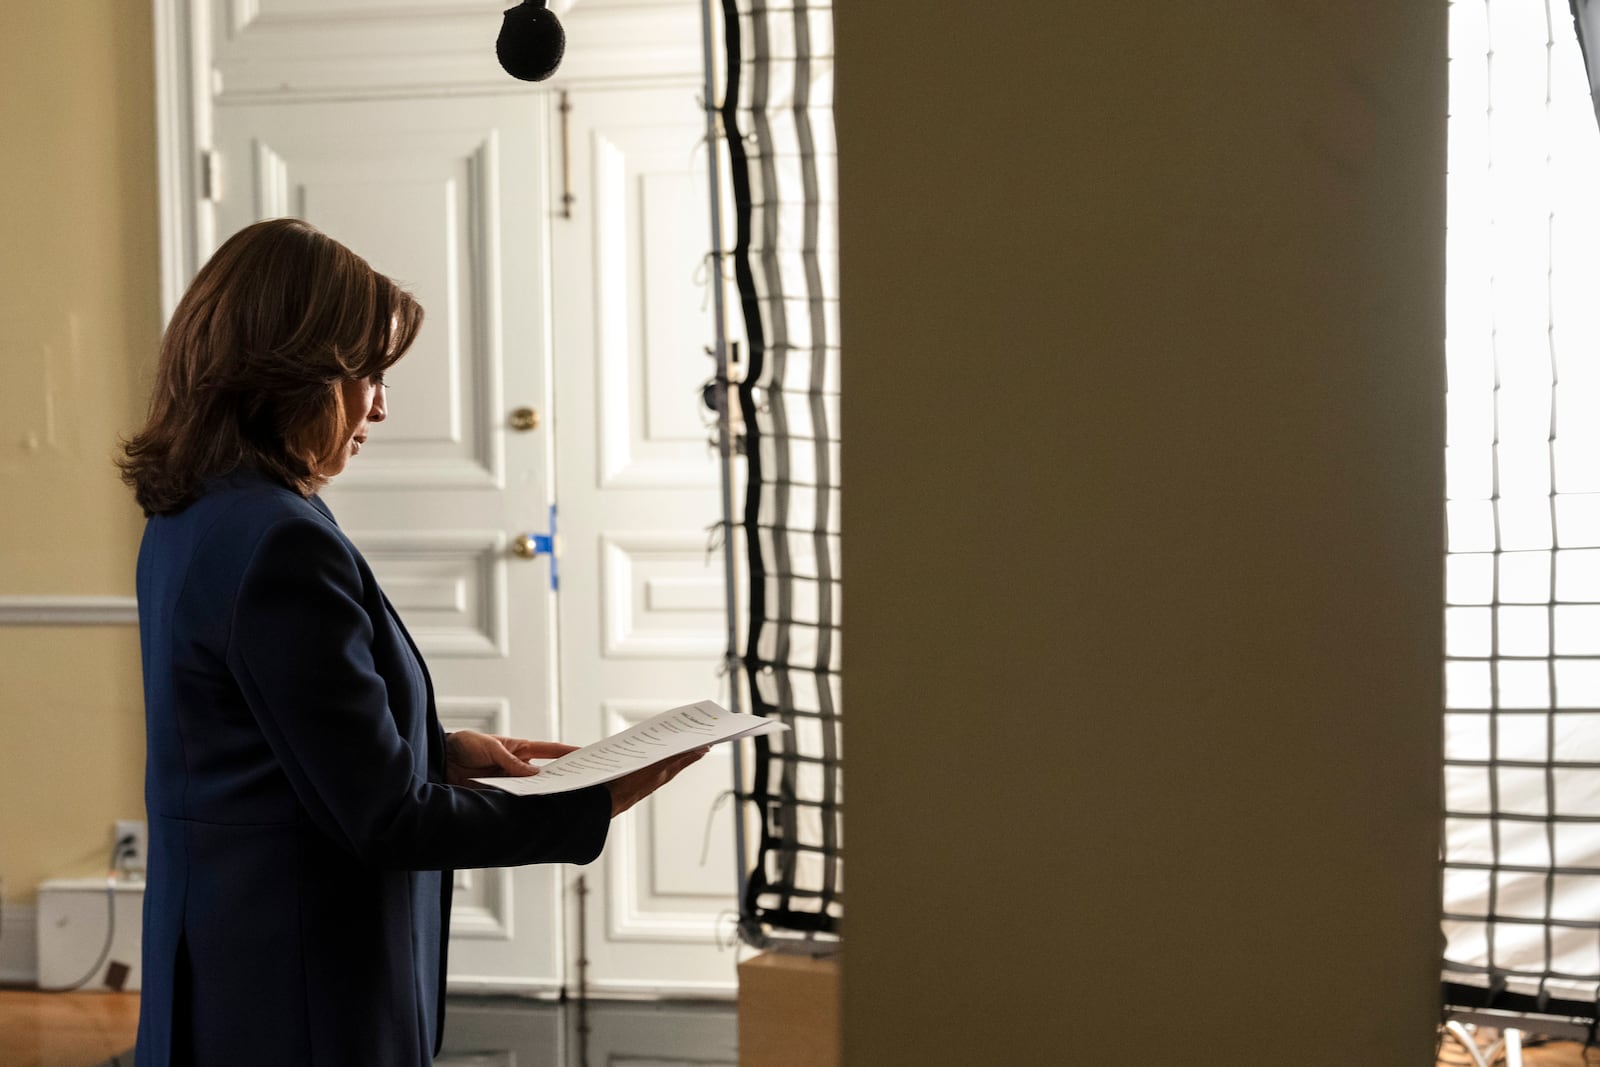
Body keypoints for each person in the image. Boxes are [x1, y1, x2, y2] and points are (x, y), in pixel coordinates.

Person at [118, 218, 704, 1065]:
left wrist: (440, 748)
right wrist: (591, 803)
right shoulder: (281, 539)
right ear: (286, 368)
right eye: (366, 374)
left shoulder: (194, 513)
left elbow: (254, 736)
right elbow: (386, 821)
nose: (381, 406)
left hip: (222, 958)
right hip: (301, 988)